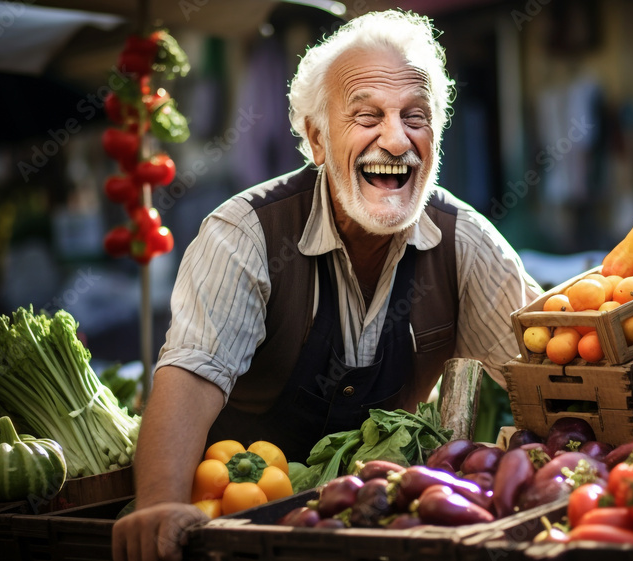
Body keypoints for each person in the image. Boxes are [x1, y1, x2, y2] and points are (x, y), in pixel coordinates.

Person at [112, 10, 542, 561]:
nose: (395, 139)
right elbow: (192, 373)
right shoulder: (246, 234)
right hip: (238, 526)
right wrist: (158, 506)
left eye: (416, 116)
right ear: (317, 138)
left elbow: (544, 367)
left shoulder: (466, 242)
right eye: (368, 116)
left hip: (378, 530)